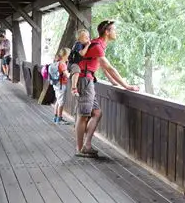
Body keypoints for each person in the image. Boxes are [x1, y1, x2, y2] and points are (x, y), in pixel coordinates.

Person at [70, 19, 139, 157]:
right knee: (83, 116)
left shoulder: (98, 44)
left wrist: (113, 81)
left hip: (88, 80)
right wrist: (126, 86)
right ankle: (80, 149)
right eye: (114, 29)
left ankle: (87, 145)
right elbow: (109, 67)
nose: (116, 32)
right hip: (84, 80)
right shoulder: (97, 45)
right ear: (107, 32)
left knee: (96, 113)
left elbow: (100, 65)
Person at [49, 47, 70, 123]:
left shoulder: (58, 62)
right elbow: (67, 75)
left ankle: (55, 117)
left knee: (58, 100)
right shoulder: (62, 64)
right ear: (65, 55)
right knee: (61, 102)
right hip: (61, 85)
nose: (69, 56)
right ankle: (59, 119)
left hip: (56, 84)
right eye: (68, 55)